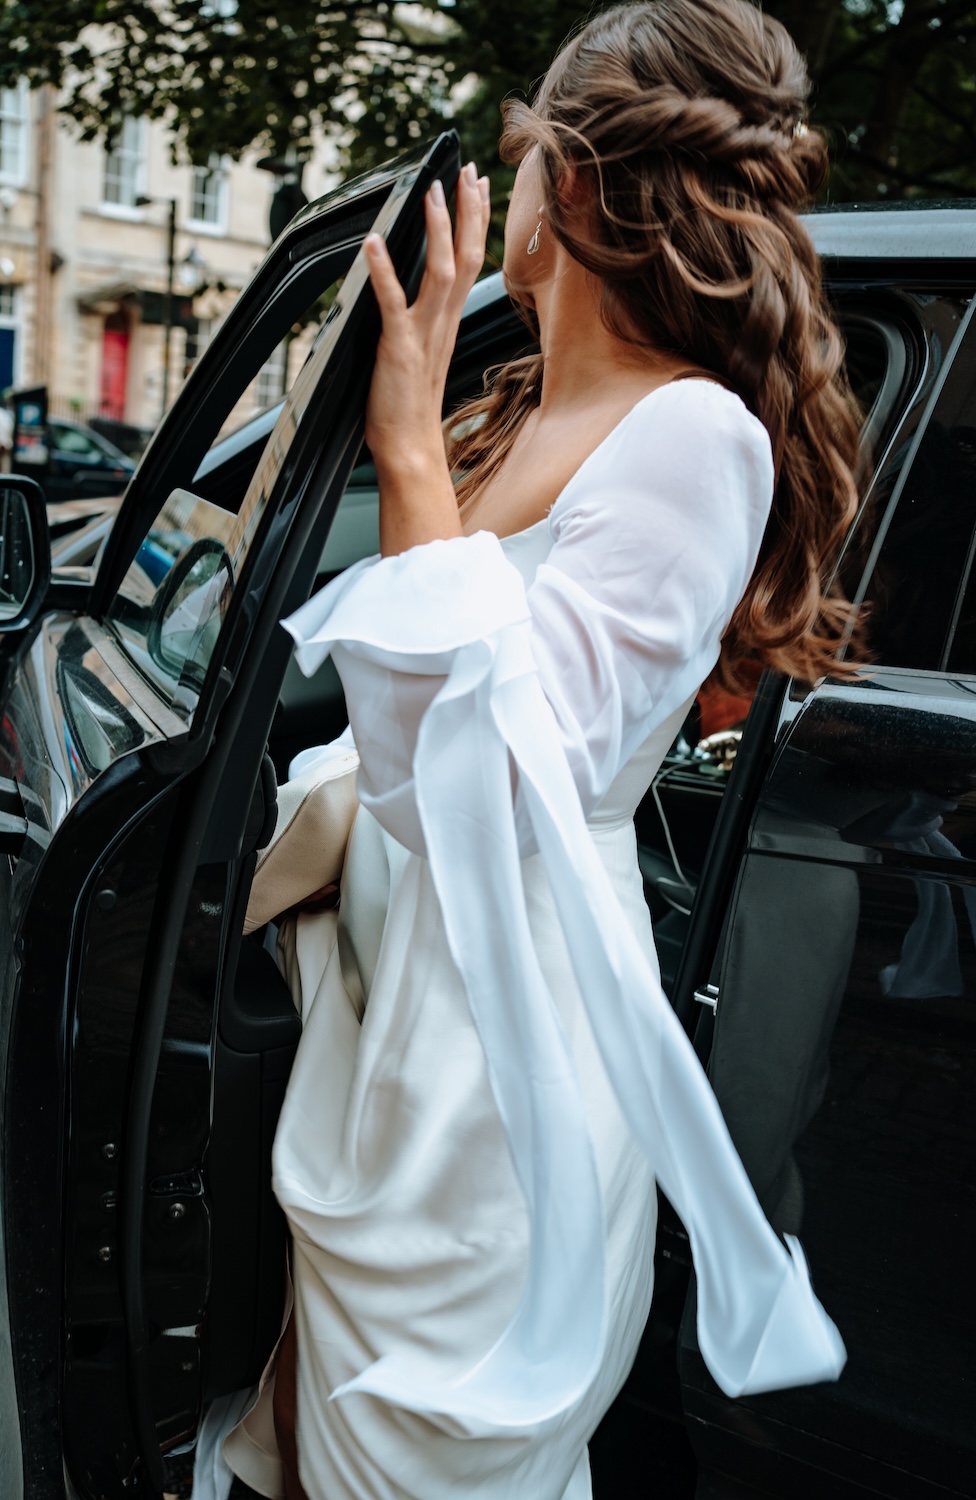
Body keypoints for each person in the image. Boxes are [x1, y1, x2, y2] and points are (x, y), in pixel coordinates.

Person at [219, 2, 863, 1495]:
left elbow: (496, 783)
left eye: (516, 158)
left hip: (496, 1067)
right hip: (387, 1022)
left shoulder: (695, 439)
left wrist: (399, 453)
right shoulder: (506, 412)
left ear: (564, 183)